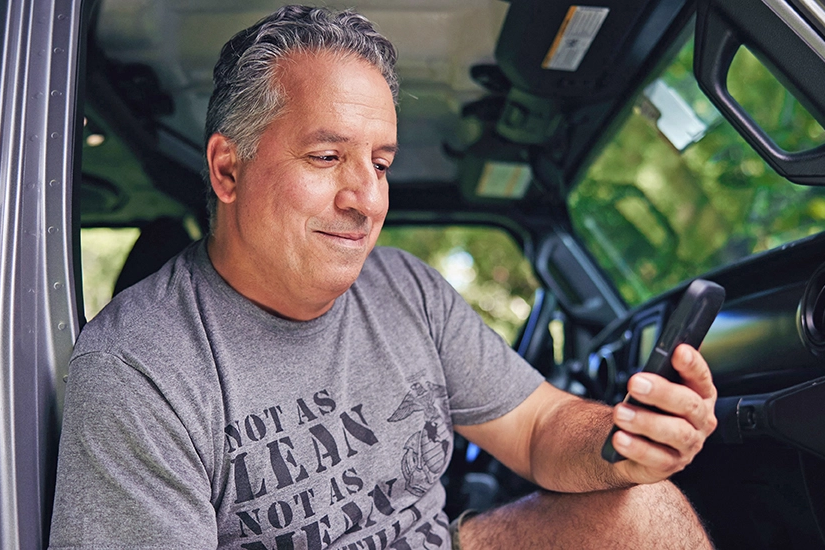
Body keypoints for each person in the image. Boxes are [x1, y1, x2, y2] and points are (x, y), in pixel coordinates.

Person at [49, 6, 717, 550]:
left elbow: (540, 428)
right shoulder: (136, 367)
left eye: (380, 163)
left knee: (646, 511)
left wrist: (620, 441)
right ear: (228, 170)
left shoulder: (404, 289)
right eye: (326, 155)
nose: (365, 199)